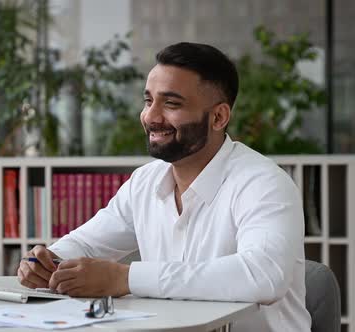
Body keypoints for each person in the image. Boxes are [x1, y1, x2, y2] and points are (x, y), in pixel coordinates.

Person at [17, 42, 310, 331]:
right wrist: (47, 261)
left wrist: (125, 279)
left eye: (171, 104)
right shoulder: (145, 182)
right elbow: (87, 244)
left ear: (218, 117)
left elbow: (262, 276)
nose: (151, 117)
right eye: (148, 101)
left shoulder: (264, 183)